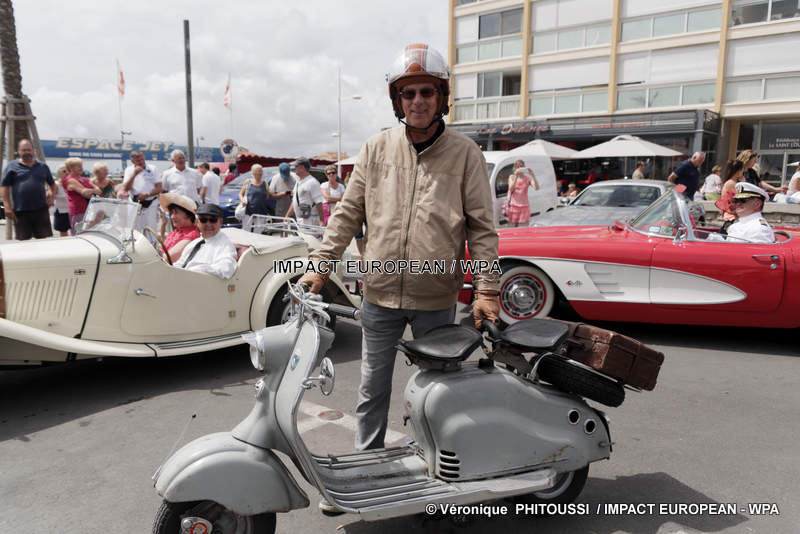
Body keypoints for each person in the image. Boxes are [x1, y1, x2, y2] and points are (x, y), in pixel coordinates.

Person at [298, 43, 499, 462]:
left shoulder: (466, 154)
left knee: (437, 389)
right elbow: (348, 213)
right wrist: (321, 265)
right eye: (408, 93)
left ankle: (438, 466)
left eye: (427, 91)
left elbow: (481, 229)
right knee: (372, 386)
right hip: (380, 294)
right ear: (397, 99)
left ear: (441, 97)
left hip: (436, 298)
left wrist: (487, 289)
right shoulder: (376, 148)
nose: (418, 101)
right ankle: (366, 462)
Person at [0, 139, 57, 240]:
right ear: (18, 151)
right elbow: (4, 187)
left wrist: (52, 197)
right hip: (21, 211)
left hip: (41, 210)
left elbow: (53, 184)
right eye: (23, 150)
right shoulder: (11, 166)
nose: (27, 152)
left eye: (29, 150)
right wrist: (7, 206)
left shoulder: (42, 166)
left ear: (33, 150)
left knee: (44, 241)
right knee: (24, 242)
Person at [174, 203, 237, 278]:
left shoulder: (225, 245)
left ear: (220, 222)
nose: (208, 224)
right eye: (203, 220)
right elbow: (180, 263)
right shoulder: (194, 243)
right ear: (197, 222)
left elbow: (226, 268)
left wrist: (196, 269)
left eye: (213, 220)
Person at [122, 150, 163, 235]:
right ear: (133, 161)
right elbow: (126, 188)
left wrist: (147, 194)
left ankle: (152, 242)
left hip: (150, 203)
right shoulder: (129, 170)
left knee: (151, 229)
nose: (141, 162)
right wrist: (134, 174)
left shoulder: (153, 168)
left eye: (142, 159)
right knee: (135, 229)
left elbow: (159, 188)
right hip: (135, 203)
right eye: (138, 161)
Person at [62, 157, 102, 234]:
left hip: (90, 211)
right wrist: (93, 191)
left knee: (91, 234)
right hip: (78, 211)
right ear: (70, 168)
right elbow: (85, 193)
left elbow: (99, 191)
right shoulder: (70, 180)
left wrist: (90, 191)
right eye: (78, 166)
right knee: (79, 233)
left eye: (81, 166)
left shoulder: (85, 179)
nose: (81, 168)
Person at [158, 192, 200, 263]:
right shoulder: (175, 232)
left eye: (176, 213)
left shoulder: (192, 235)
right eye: (171, 213)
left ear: (188, 215)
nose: (172, 217)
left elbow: (169, 258)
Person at [285, 157, 324, 228]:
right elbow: (294, 200)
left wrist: (321, 221)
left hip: (311, 221)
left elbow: (319, 203)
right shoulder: (298, 182)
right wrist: (287, 215)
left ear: (302, 167)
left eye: (296, 166)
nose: (294, 168)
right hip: (300, 221)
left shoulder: (313, 182)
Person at [238, 163, 272, 231]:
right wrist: (242, 200)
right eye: (258, 171)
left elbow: (267, 196)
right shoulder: (248, 182)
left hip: (261, 211)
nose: (260, 173)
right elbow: (240, 194)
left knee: (258, 231)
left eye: (261, 171)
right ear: (253, 172)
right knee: (246, 230)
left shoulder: (265, 183)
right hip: (248, 211)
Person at [506, 159, 539, 227]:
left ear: (524, 167)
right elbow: (511, 189)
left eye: (521, 166)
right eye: (517, 166)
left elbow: (536, 188)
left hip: (524, 208)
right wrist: (516, 176)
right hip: (513, 207)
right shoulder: (512, 177)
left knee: (523, 229)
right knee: (511, 229)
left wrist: (533, 175)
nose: (519, 168)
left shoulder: (528, 179)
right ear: (515, 168)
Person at [716, 160, 745, 234]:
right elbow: (741, 198)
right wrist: (743, 183)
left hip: (732, 216)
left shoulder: (732, 182)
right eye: (742, 169)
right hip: (731, 217)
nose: (743, 172)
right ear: (738, 171)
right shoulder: (731, 183)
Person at [52, 165, 71, 237]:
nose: (67, 173)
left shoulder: (73, 183)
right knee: (63, 232)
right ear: (59, 173)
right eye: (64, 171)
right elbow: (52, 197)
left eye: (69, 171)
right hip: (61, 211)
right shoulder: (56, 184)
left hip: (72, 210)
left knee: (75, 231)